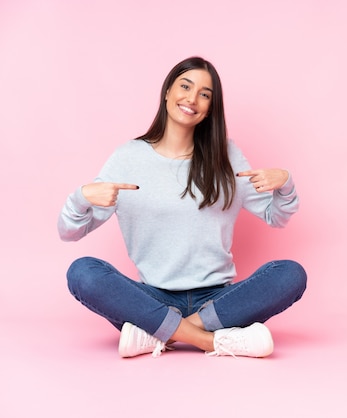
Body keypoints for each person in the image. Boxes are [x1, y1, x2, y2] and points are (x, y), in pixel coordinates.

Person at [58, 56, 307, 359]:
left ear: (210, 108)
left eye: (204, 94)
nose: (192, 99)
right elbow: (69, 232)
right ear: (167, 92)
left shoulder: (226, 155)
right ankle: (213, 341)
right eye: (185, 86)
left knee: (290, 274)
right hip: (151, 297)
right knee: (82, 272)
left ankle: (157, 334)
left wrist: (285, 183)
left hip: (218, 300)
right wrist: (81, 197)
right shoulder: (128, 157)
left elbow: (276, 216)